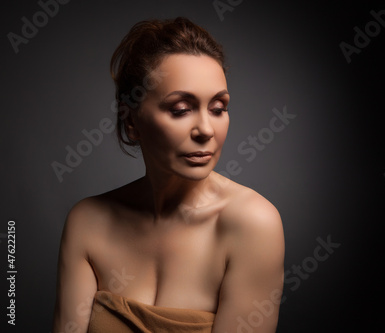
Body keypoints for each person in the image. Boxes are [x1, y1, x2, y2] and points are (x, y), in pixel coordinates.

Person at [52, 17, 285, 332]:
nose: (205, 130)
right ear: (131, 121)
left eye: (218, 108)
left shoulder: (253, 225)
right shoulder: (87, 222)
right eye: (181, 109)